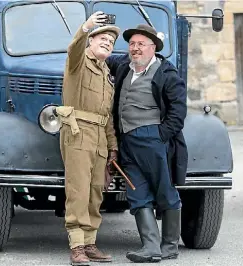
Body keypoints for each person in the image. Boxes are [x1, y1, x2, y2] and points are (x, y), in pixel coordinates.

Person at [106, 24, 188, 263]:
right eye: (132, 44)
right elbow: (99, 56)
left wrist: (160, 135)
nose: (135, 48)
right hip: (127, 142)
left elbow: (178, 112)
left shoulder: (166, 73)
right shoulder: (124, 66)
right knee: (136, 191)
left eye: (141, 44)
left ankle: (169, 246)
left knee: (164, 189)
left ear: (153, 48)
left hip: (153, 140)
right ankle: (151, 247)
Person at [57, 12, 120, 265]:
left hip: (100, 138)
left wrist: (113, 148)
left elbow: (107, 116)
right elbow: (73, 48)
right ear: (91, 42)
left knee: (96, 192)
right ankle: (77, 246)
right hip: (78, 132)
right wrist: (86, 27)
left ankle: (90, 242)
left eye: (111, 41)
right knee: (78, 190)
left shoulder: (107, 75)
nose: (107, 42)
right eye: (102, 38)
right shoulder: (78, 62)